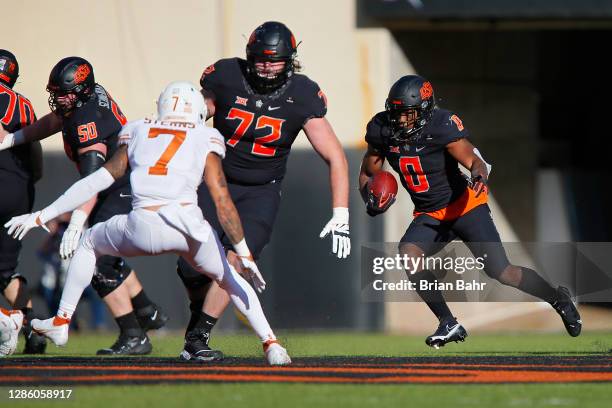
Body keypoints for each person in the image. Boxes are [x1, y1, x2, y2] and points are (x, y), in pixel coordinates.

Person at [5, 81, 291, 365]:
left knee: (89, 242)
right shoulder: (207, 136)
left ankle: (62, 320)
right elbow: (222, 199)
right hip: (187, 227)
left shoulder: (139, 128)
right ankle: (272, 344)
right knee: (230, 279)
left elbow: (98, 179)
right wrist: (243, 250)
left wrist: (42, 214)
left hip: (141, 223)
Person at [359, 74, 582, 348]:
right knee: (408, 253)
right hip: (430, 214)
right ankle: (448, 323)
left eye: (408, 114)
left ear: (425, 110)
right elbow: (368, 173)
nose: (400, 121)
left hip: (465, 206)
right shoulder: (382, 129)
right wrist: (369, 198)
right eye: (397, 114)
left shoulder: (441, 126)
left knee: (502, 272)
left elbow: (475, 159)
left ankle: (558, 298)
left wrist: (479, 176)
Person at [176, 21, 351, 361]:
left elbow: (336, 157)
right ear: (249, 57)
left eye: (275, 60)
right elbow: (200, 109)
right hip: (215, 182)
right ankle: (199, 313)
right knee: (190, 265)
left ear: (290, 60)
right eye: (261, 59)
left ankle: (198, 337)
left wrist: (340, 213)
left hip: (261, 192)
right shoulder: (227, 76)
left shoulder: (302, 94)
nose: (268, 67)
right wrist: (186, 114)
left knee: (237, 261)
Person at [0, 56, 167, 355]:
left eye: (65, 93)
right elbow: (52, 122)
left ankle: (134, 334)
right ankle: (146, 311)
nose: (59, 99)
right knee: (106, 254)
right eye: (57, 92)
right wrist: (11, 139)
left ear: (82, 91)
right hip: (121, 182)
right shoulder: (81, 101)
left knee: (96, 258)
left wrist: (76, 223)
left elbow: (94, 179)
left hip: (115, 185)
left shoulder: (88, 119)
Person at [0, 49, 47, 355]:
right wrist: (30, 182)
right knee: (4, 270)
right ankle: (32, 329)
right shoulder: (24, 104)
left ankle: (9, 324)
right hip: (19, 185)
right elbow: (34, 150)